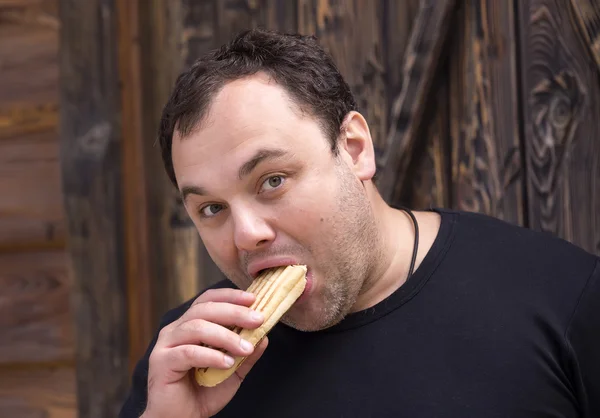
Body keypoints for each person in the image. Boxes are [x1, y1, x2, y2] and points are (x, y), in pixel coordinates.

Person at [119, 28, 600, 418]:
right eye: (211, 209)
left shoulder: (563, 300)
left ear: (354, 148)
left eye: (272, 181)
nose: (247, 235)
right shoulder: (187, 364)